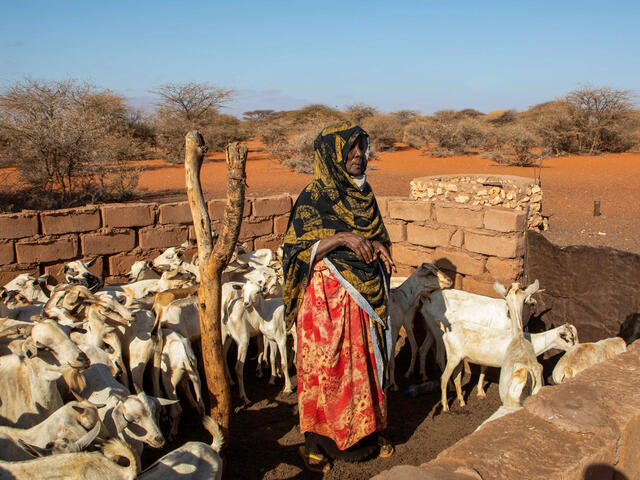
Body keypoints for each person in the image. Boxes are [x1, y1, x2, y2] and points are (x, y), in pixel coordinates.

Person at [282, 121, 396, 473]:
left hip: (360, 300)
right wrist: (342, 238)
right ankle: (317, 445)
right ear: (333, 154)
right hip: (324, 305)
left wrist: (376, 246)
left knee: (364, 366)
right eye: (351, 149)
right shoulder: (313, 196)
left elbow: (375, 235)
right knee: (326, 369)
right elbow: (295, 250)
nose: (359, 155)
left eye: (362, 147)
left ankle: (365, 436)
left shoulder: (364, 195)